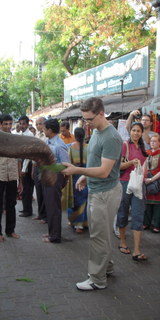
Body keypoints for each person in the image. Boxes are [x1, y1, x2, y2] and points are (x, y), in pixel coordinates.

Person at [62, 97, 122, 291]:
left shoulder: (111, 137)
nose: (86, 123)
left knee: (98, 236)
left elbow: (104, 171)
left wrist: (78, 171)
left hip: (105, 193)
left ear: (101, 114)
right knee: (102, 234)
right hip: (97, 190)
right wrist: (86, 177)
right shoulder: (96, 131)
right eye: (84, 119)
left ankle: (97, 279)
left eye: (89, 119)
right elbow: (95, 161)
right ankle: (107, 267)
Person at [0, 114, 23, 241]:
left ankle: (10, 230)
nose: (8, 126)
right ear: (0, 124)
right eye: (5, 124)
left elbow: (19, 161)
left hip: (13, 177)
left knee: (11, 204)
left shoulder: (15, 140)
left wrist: (20, 181)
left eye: (10, 124)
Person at [117, 122, 148, 261]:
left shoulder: (143, 147)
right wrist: (131, 162)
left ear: (142, 133)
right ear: (130, 132)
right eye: (134, 130)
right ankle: (122, 242)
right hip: (125, 182)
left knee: (138, 215)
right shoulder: (125, 145)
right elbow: (118, 166)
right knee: (123, 212)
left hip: (139, 184)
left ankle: (137, 250)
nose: (136, 133)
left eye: (138, 131)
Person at [42, 118, 70, 243]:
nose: (43, 130)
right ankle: (51, 232)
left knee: (54, 207)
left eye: (44, 129)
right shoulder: (48, 142)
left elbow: (66, 165)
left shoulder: (59, 145)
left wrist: (64, 180)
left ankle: (55, 236)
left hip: (55, 176)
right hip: (47, 175)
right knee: (49, 205)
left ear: (50, 130)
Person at [63, 127, 88, 233]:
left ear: (75, 135)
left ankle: (75, 223)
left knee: (74, 200)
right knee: (84, 200)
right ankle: (83, 223)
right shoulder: (89, 147)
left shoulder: (71, 147)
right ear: (84, 135)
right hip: (86, 175)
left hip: (74, 176)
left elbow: (67, 164)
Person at [18, 115, 35, 217]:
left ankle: (28, 211)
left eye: (23, 123)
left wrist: (24, 168)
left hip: (28, 164)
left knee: (28, 189)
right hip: (22, 162)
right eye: (20, 123)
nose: (22, 125)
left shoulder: (30, 135)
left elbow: (30, 154)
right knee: (23, 188)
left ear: (27, 124)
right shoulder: (21, 134)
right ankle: (25, 208)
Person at [143, 133, 160, 233]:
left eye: (155, 141)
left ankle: (156, 224)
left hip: (157, 181)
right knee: (147, 204)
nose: (152, 143)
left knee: (158, 205)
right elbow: (144, 166)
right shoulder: (147, 153)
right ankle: (146, 223)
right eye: (151, 141)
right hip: (147, 181)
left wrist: (152, 179)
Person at [32, 117, 47, 223]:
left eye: (40, 124)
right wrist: (33, 169)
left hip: (44, 167)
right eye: (36, 124)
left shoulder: (47, 137)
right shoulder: (36, 135)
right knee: (38, 191)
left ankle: (45, 216)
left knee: (44, 191)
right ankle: (40, 214)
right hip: (36, 166)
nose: (38, 126)